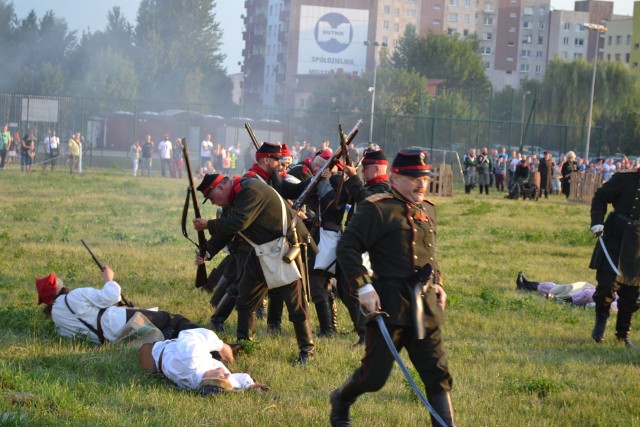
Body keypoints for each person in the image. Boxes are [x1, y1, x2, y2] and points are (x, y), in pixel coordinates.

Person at [330, 148, 455, 427]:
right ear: (396, 177)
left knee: (438, 374)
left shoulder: (428, 208)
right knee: (373, 378)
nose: (421, 183)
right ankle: (341, 398)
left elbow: (429, 253)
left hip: (425, 307)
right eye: (413, 178)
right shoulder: (377, 208)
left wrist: (437, 283)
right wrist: (363, 287)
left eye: (424, 177)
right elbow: (348, 247)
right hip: (390, 305)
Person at [193, 172, 315, 364]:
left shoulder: (250, 190)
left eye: (212, 198)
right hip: (261, 250)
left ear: (221, 187)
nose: (214, 203)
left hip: (285, 246)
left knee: (295, 304)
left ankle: (307, 351)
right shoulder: (233, 199)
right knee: (245, 298)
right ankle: (244, 343)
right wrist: (206, 252)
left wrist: (208, 224)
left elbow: (239, 223)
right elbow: (226, 232)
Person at [35, 266, 200, 344]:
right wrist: (109, 279)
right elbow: (112, 295)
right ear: (56, 286)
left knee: (165, 330)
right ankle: (215, 346)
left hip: (109, 339)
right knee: (173, 319)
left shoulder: (56, 317)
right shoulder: (75, 296)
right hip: (118, 322)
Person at [589, 167, 640, 347]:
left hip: (638, 245)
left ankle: (623, 334)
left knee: (632, 292)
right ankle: (599, 327)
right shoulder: (624, 178)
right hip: (615, 237)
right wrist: (597, 222)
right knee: (607, 284)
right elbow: (601, 196)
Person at [138, 327, 267, 395]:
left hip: (158, 350)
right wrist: (249, 385)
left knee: (179, 322)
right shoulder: (214, 379)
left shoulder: (191, 358)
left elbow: (188, 334)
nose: (227, 374)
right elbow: (235, 380)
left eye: (222, 376)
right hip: (175, 355)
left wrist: (221, 346)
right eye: (226, 376)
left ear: (208, 380)